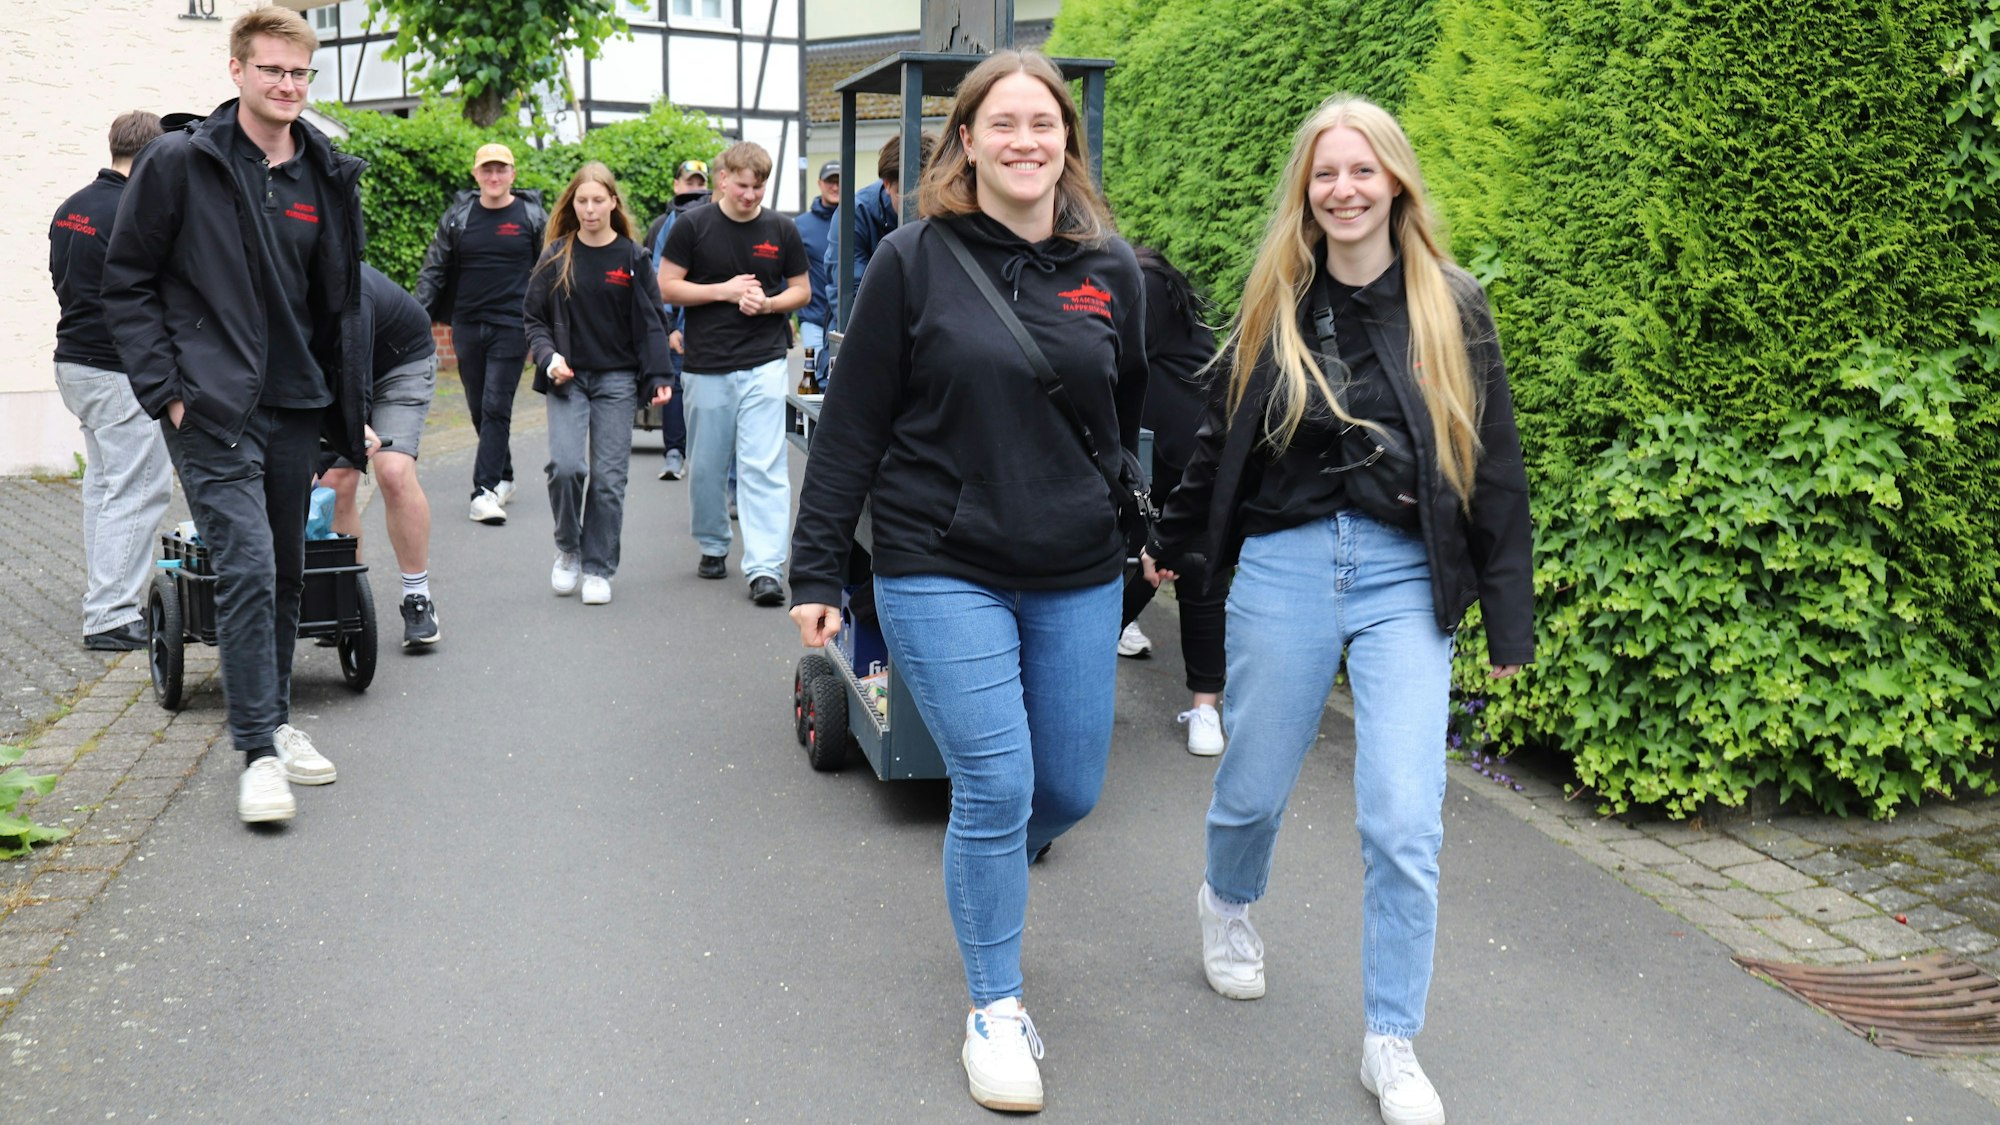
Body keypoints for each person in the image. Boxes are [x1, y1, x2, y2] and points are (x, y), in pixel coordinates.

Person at [1144, 95, 1534, 1125]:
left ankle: (1390, 1040)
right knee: (1252, 787)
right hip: (1282, 565)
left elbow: (1493, 467)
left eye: (1363, 171)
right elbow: (1213, 442)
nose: (1344, 189)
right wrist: (1163, 549)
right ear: (1305, 191)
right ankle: (1226, 904)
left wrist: (1506, 617)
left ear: (1395, 181)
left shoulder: (1451, 303)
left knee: (1404, 820)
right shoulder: (1276, 297)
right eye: (1325, 173)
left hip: (1406, 576)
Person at [788, 50, 1146, 1113]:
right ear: (969, 142)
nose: (1025, 140)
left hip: (1075, 564)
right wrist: (818, 570)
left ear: (1064, 145)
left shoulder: (1111, 268)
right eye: (1004, 124)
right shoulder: (913, 258)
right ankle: (995, 1006)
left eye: (1044, 124)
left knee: (1067, 790)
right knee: (992, 784)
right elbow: (850, 429)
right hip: (938, 561)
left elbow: (1123, 419)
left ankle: (995, 857)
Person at [101, 5, 362, 824]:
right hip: (210, 406)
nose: (287, 85)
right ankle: (255, 751)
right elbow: (128, 280)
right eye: (272, 70)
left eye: (299, 73)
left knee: (286, 568)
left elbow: (338, 303)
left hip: (295, 402)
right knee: (246, 562)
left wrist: (344, 411)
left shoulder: (324, 171)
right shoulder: (182, 162)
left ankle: (276, 722)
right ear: (237, 71)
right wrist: (168, 390)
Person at [658, 141, 810, 607]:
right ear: (723, 179)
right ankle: (712, 542)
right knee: (706, 463)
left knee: (764, 464)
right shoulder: (693, 226)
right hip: (707, 362)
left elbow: (800, 291)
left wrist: (768, 303)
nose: (750, 195)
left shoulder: (780, 229)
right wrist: (724, 291)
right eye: (742, 185)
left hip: (764, 357)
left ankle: (765, 567)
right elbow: (666, 285)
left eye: (759, 187)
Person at [522, 162, 677, 606]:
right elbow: (532, 318)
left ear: (613, 202)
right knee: (567, 468)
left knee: (609, 479)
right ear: (573, 204)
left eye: (598, 200)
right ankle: (569, 549)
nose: (590, 209)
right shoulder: (557, 255)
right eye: (582, 201)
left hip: (617, 380)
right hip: (567, 380)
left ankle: (597, 567)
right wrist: (549, 358)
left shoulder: (633, 257)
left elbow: (653, 323)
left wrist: (660, 375)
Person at [48, 110, 172, 653]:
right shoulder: (135, 211)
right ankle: (111, 615)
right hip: (119, 370)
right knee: (140, 487)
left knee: (103, 485)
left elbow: (61, 278)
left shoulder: (72, 206)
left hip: (73, 362)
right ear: (151, 156)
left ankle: (103, 600)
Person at [1114, 246, 1230, 756]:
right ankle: (1204, 710)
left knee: (1183, 569)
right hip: (1162, 468)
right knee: (1159, 570)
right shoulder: (1146, 278)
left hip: (1186, 470)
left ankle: (1206, 709)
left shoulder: (1138, 278)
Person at [413, 141, 548, 526]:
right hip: (467, 324)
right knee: (477, 406)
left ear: (512, 175)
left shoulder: (532, 217)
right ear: (476, 175)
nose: (494, 177)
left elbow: (548, 273)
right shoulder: (458, 218)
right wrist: (414, 318)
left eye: (501, 170)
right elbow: (434, 269)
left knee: (495, 405)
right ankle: (504, 474)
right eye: (486, 170)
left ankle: (483, 491)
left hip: (513, 325)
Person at [319, 263, 442, 648]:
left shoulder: (352, 290)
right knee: (333, 482)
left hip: (401, 363)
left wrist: (355, 425)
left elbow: (356, 366)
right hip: (340, 376)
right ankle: (346, 598)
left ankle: (417, 595)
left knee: (392, 470)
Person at [642, 158, 712, 481]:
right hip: (675, 323)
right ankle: (674, 453)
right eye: (690, 182)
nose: (695, 189)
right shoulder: (662, 225)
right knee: (674, 385)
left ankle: (701, 455)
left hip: (707, 322)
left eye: (700, 183)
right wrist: (667, 327)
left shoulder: (715, 219)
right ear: (676, 185)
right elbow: (653, 278)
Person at [822, 131, 936, 327]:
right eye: (910, 196)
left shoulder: (946, 208)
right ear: (887, 184)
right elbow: (851, 297)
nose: (923, 206)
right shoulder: (854, 214)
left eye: (930, 192)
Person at [791, 160, 840, 372]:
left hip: (846, 318)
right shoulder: (801, 225)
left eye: (840, 181)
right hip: (813, 319)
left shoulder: (857, 219)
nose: (835, 187)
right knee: (815, 376)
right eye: (830, 181)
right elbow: (787, 272)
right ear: (819, 183)